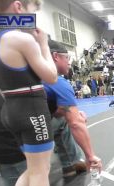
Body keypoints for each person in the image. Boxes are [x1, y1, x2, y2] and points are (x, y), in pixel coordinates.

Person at [0, 0, 75, 186]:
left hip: (9, 108)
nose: (34, 15)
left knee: (34, 168)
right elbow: (51, 76)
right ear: (18, 6)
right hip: (31, 109)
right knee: (41, 170)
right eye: (34, 9)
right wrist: (42, 43)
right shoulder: (21, 39)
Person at [45, 40, 102, 178]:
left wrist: (69, 112)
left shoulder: (31, 74)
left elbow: (46, 109)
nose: (69, 62)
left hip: (13, 133)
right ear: (55, 56)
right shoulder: (55, 80)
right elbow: (76, 124)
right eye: (67, 57)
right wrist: (90, 156)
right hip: (9, 148)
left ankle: (70, 164)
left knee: (63, 120)